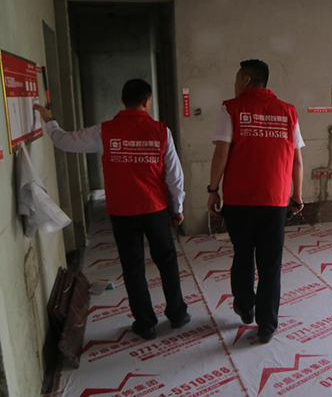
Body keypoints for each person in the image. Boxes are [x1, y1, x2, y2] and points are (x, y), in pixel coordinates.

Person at [34, 79, 190, 340]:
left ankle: (145, 324)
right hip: (155, 209)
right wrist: (178, 207)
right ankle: (177, 314)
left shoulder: (104, 131)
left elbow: (64, 141)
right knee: (167, 262)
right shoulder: (161, 131)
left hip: (123, 212)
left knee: (133, 267)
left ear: (123, 100)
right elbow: (174, 176)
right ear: (147, 101)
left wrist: (49, 121)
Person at [208, 59, 305, 344]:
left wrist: (213, 189)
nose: (235, 83)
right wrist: (297, 196)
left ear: (247, 80)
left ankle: (245, 306)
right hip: (275, 202)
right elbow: (297, 160)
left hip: (239, 201)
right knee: (270, 265)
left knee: (242, 255)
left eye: (237, 77)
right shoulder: (288, 111)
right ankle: (267, 325)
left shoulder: (231, 108)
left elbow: (221, 153)